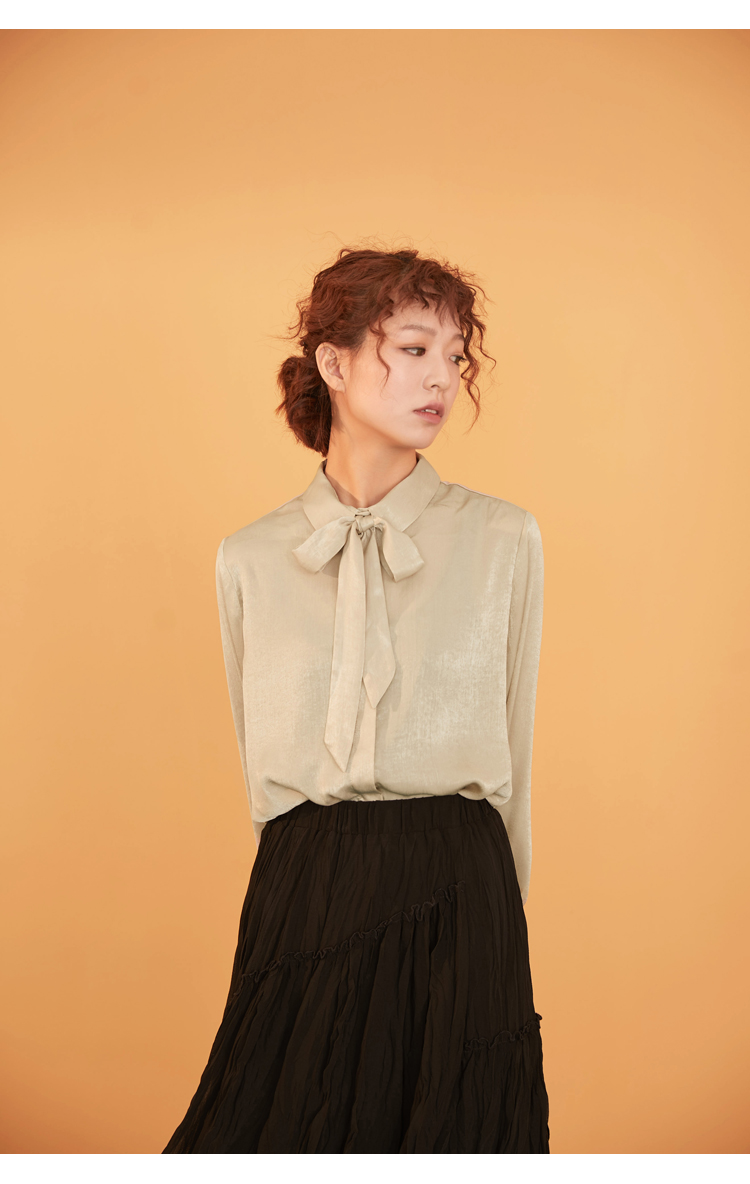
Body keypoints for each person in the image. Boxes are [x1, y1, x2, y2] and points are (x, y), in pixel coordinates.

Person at [163, 245, 550, 1154]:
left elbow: (516, 747)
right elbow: (259, 764)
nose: (442, 378)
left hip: (461, 884)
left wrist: (503, 918)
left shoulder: (503, 539)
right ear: (333, 364)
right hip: (305, 885)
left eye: (454, 355)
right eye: (413, 349)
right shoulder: (250, 558)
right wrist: (297, 893)